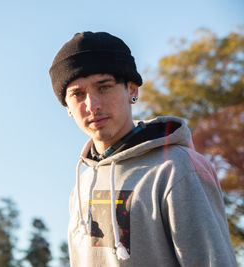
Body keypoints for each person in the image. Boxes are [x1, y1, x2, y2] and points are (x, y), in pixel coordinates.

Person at [49, 31, 237, 267]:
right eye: (77, 94)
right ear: (67, 106)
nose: (92, 105)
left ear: (132, 89)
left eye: (104, 87)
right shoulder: (83, 184)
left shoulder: (178, 168)